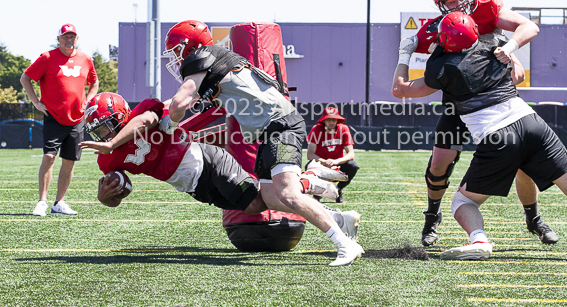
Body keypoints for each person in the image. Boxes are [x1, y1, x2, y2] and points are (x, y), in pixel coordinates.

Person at [392, 12, 567, 263]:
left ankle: (479, 240)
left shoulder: (441, 67)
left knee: (462, 202)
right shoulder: (494, 44)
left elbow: (400, 89)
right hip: (531, 123)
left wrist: (405, 53)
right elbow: (519, 74)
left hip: (497, 136)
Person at [158, 20, 364, 267]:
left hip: (280, 125)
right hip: (270, 130)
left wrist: (169, 125)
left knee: (288, 193)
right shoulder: (216, 62)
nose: (175, 58)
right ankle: (340, 220)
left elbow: (180, 104)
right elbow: (184, 102)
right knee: (270, 197)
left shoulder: (203, 57)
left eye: (177, 50)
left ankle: (345, 244)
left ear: (191, 46)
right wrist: (157, 111)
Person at [79, 93, 362, 256]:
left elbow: (147, 119)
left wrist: (111, 141)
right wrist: (106, 197)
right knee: (262, 201)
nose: (102, 135)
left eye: (105, 127)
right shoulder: (108, 158)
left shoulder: (139, 114)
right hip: (192, 186)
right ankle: (331, 208)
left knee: (255, 203)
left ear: (119, 115)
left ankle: (307, 181)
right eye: (99, 132)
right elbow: (118, 192)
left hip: (206, 160)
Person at [406, 0, 558, 247]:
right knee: (439, 163)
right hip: (459, 101)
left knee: (524, 163)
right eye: (451, 0)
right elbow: (422, 58)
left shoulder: (487, 5)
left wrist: (508, 49)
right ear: (442, 6)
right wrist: (409, 51)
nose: (461, 2)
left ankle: (533, 217)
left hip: (495, 98)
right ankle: (432, 214)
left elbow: (527, 29)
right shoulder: (433, 29)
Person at [21, 23, 99, 216]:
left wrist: (88, 102)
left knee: (69, 160)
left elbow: (94, 82)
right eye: (65, 36)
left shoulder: (85, 59)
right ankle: (42, 202)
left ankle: (59, 203)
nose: (69, 40)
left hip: (77, 118)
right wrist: (37, 103)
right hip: (53, 117)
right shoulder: (47, 57)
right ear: (59, 39)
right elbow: (25, 78)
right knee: (49, 157)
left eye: (72, 36)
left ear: (77, 39)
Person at [306, 107, 359, 203]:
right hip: (320, 164)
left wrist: (335, 161)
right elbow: (310, 154)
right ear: (324, 120)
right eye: (329, 119)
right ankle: (317, 193)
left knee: (353, 166)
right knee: (309, 166)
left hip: (338, 164)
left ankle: (338, 190)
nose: (331, 122)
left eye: (334, 119)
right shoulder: (316, 129)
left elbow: (351, 154)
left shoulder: (343, 129)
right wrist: (323, 161)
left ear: (337, 120)